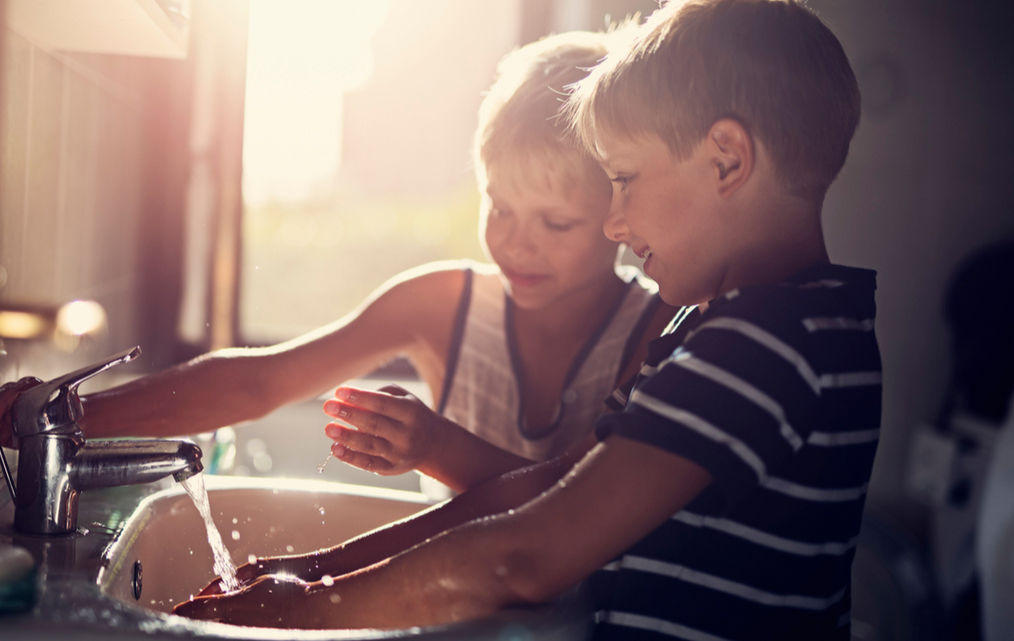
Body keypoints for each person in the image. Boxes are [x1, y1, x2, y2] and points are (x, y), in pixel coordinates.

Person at [174, 2, 881, 640]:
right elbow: (546, 489)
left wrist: (300, 610)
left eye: (625, 179)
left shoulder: (760, 347)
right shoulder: (735, 330)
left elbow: (525, 556)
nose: (615, 220)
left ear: (727, 160)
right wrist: (310, 569)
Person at [0, 31, 671, 496]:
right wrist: (70, 414)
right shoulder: (444, 304)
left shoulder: (658, 329)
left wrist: (435, 444)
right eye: (500, 206)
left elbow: (581, 504)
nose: (516, 243)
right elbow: (259, 382)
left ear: (622, 211)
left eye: (555, 222)